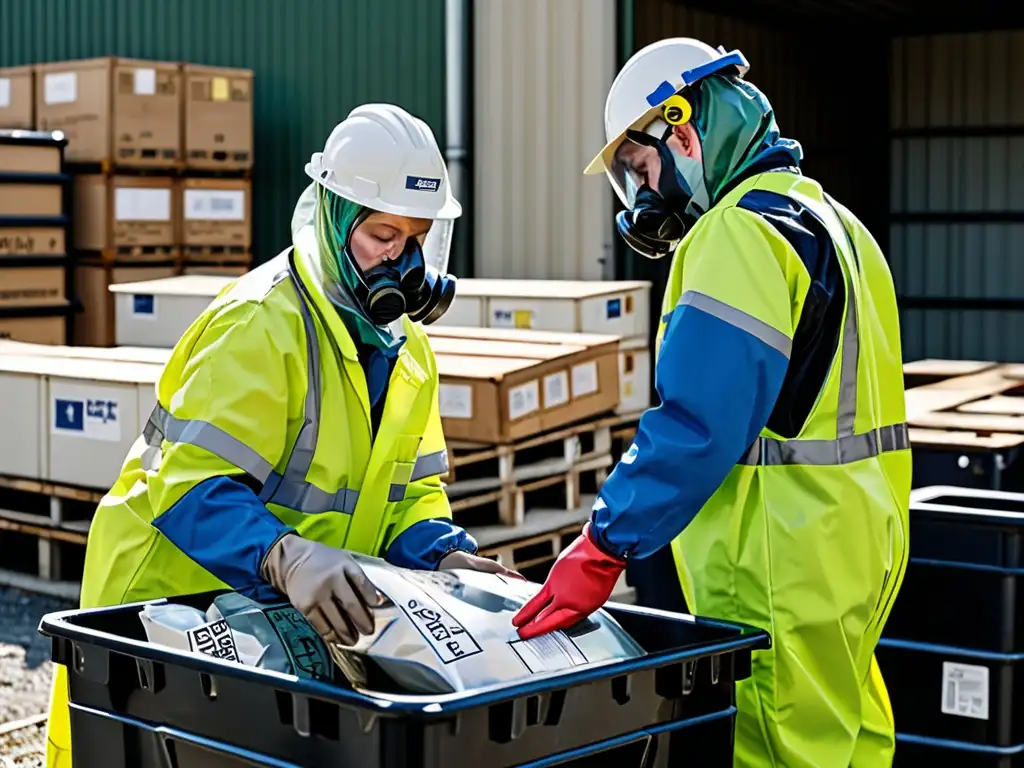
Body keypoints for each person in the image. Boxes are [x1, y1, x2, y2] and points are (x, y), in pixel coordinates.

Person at [46, 103, 517, 767]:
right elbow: (189, 485)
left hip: (270, 621)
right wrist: (288, 557)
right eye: (384, 234)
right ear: (332, 219)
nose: (403, 261)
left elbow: (409, 490)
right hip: (163, 609)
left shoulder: (408, 351)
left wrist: (441, 555)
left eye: (418, 239)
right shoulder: (261, 323)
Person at [512, 38, 911, 768]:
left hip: (776, 558)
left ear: (683, 131)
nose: (643, 196)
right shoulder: (839, 226)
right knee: (849, 735)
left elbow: (697, 424)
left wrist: (604, 544)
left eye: (640, 168)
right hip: (859, 547)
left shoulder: (739, 233)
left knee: (775, 748)